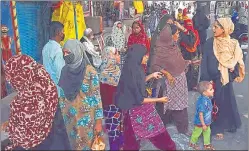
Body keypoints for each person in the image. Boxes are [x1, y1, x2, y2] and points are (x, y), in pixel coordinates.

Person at [115, 44, 176, 151]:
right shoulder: (134, 70)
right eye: (145, 55)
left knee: (131, 139)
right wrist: (159, 100)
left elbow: (136, 84)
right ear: (138, 56)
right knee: (158, 132)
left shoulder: (133, 67)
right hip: (137, 110)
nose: (147, 57)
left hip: (132, 110)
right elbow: (140, 99)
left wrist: (151, 75)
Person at [200, 18, 245, 140]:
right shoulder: (210, 43)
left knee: (226, 103)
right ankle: (217, 127)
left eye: (216, 27)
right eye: (213, 27)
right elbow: (205, 62)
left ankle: (226, 125)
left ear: (224, 29)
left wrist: (233, 69)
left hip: (225, 79)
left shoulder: (233, 43)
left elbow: (238, 59)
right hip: (212, 80)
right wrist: (205, 80)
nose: (213, 29)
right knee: (213, 104)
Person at [4, 55, 59, 150]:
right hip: (50, 130)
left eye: (12, 77)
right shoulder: (41, 78)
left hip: (36, 140)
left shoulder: (33, 99)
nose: (10, 81)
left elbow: (26, 132)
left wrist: (10, 126)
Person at [58, 39, 104, 150]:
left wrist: (98, 122)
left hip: (86, 122)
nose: (65, 55)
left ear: (77, 51)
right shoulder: (64, 70)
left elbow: (96, 98)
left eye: (68, 52)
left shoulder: (90, 71)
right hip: (69, 120)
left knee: (87, 146)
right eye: (64, 52)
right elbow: (62, 96)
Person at [42, 21, 71, 150]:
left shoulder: (46, 47)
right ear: (59, 32)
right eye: (63, 31)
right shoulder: (57, 49)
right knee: (61, 122)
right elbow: (61, 73)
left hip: (49, 89)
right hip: (58, 90)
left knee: (54, 120)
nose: (63, 34)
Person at [99, 45, 122, 150]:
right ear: (110, 57)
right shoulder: (102, 75)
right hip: (110, 110)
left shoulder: (118, 70)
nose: (119, 56)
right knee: (113, 134)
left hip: (121, 107)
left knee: (121, 132)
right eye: (116, 54)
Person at [189, 81, 215, 150]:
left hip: (207, 121)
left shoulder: (207, 98)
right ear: (204, 93)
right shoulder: (202, 102)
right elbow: (201, 114)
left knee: (207, 132)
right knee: (197, 132)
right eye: (211, 89)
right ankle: (192, 142)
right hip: (200, 123)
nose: (213, 90)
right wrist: (203, 124)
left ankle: (207, 144)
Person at [179, 19, 201, 91]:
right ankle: (186, 85)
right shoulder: (182, 33)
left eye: (190, 24)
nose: (189, 26)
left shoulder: (195, 32)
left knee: (195, 69)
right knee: (187, 69)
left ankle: (193, 85)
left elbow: (197, 43)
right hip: (185, 53)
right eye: (187, 24)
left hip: (194, 53)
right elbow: (190, 43)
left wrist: (200, 53)